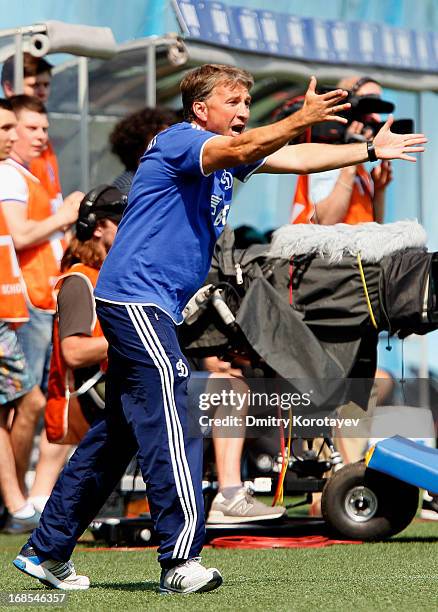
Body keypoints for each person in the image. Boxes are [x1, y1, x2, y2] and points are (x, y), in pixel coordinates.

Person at [13, 64, 426, 595]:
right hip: (138, 298)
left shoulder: (228, 151)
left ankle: (45, 551)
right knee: (175, 408)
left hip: (151, 304)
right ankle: (180, 560)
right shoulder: (183, 141)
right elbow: (241, 148)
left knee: (118, 435)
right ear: (200, 109)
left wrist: (368, 151)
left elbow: (290, 155)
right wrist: (300, 117)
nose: (242, 110)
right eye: (232, 100)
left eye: (246, 101)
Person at [0, 98, 43, 533]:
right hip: (14, 311)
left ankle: (15, 503)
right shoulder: (7, 177)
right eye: (6, 127)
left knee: (27, 401)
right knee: (26, 402)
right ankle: (15, 504)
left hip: (8, 311)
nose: (13, 136)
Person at [291, 76, 393, 225]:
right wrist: (350, 159)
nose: (376, 117)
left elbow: (373, 226)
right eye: (369, 105)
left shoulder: (356, 162)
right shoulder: (325, 153)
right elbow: (325, 222)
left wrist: (379, 190)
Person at [2, 53, 62, 203]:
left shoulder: (42, 139)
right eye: (34, 85)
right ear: (9, 87)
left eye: (46, 85)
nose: (41, 91)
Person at [110, 106, 178, 194]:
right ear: (138, 147)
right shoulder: (128, 189)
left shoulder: (153, 182)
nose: (169, 146)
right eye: (159, 139)